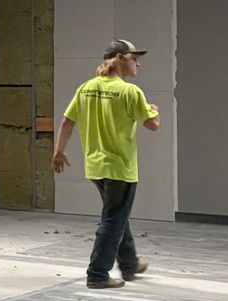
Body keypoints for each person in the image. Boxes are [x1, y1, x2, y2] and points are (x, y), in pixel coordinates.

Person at [53, 38, 161, 287]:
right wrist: (155, 109)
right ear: (121, 59)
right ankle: (98, 274)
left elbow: (68, 121)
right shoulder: (130, 92)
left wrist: (59, 152)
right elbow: (153, 125)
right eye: (135, 59)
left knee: (116, 213)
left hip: (95, 167)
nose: (138, 65)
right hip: (120, 168)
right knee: (113, 219)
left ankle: (130, 263)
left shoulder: (86, 88)